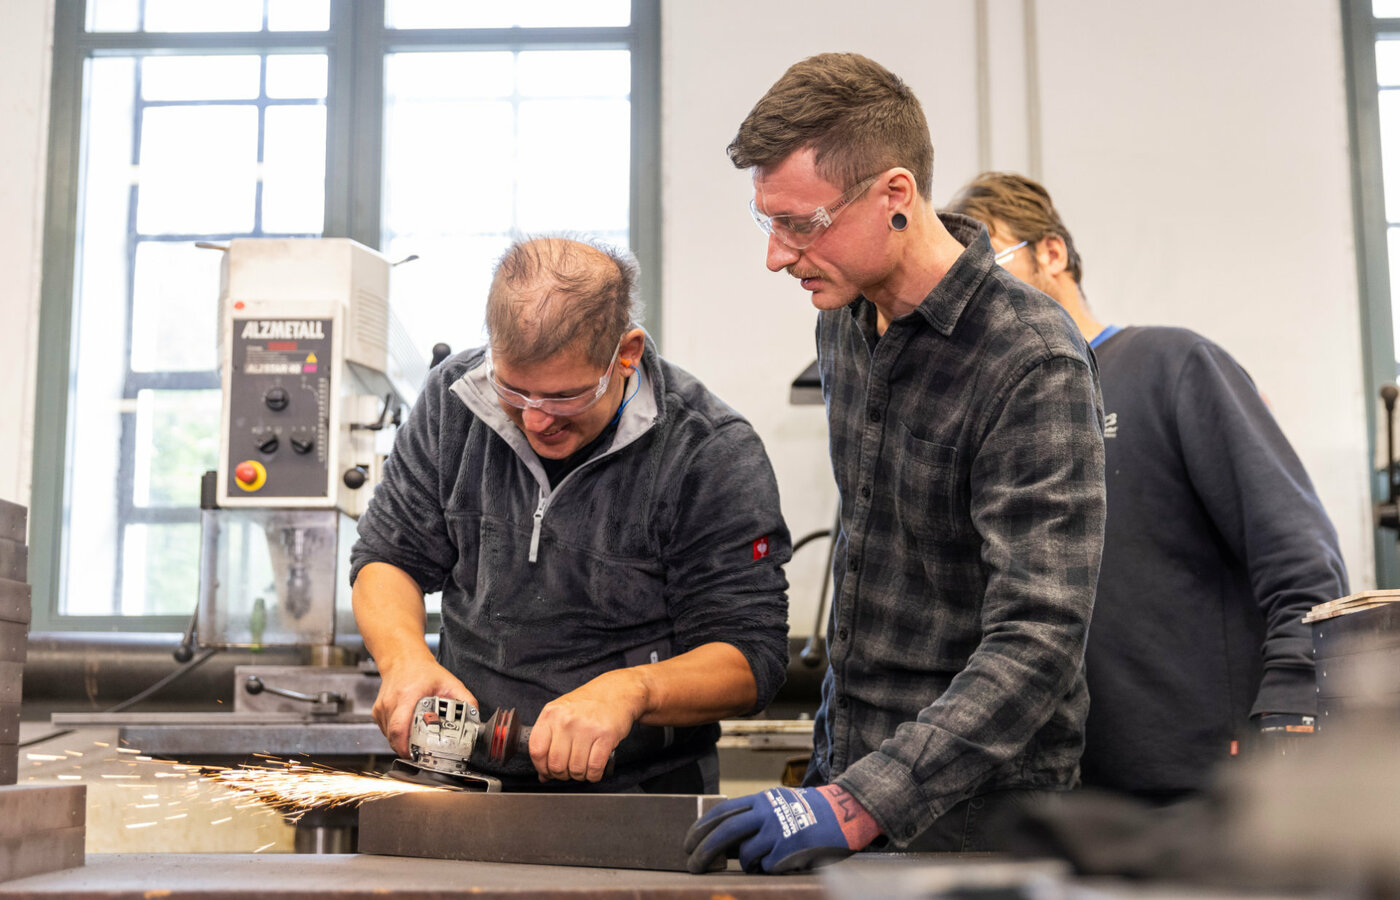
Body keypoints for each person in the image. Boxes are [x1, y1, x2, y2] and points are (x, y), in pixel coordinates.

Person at [685, 54, 1107, 874]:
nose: (778, 256)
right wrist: (834, 782)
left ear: (895, 196)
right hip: (850, 771)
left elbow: (1039, 640)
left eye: (801, 224)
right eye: (765, 221)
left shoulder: (1032, 360)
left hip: (984, 817)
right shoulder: (843, 321)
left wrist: (857, 803)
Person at [945, 171, 1349, 803]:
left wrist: (1292, 701)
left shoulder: (1174, 365)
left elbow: (1300, 556)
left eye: (991, 262)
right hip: (1065, 792)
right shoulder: (997, 414)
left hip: (1205, 787)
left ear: (1050, 252)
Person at [350, 236, 792, 793]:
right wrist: (404, 659)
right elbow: (389, 558)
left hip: (639, 793)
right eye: (514, 391)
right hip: (460, 779)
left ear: (626, 353)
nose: (537, 421)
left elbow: (751, 657)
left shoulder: (708, 451)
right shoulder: (454, 399)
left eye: (564, 398)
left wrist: (632, 691)